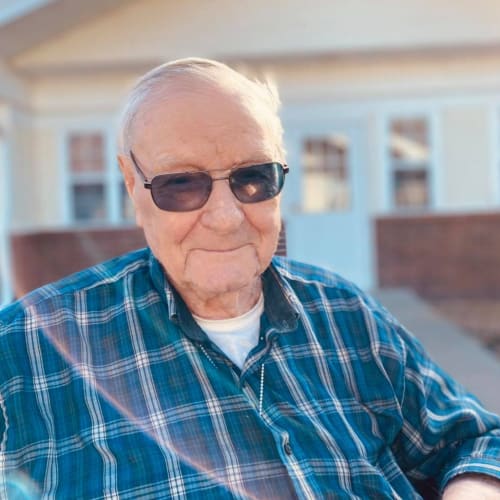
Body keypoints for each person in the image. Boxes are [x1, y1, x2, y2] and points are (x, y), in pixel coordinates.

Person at [0, 58, 499, 499]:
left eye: (253, 178)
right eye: (181, 184)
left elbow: (474, 439)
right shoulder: (26, 349)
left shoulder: (346, 313)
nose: (226, 217)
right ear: (133, 185)